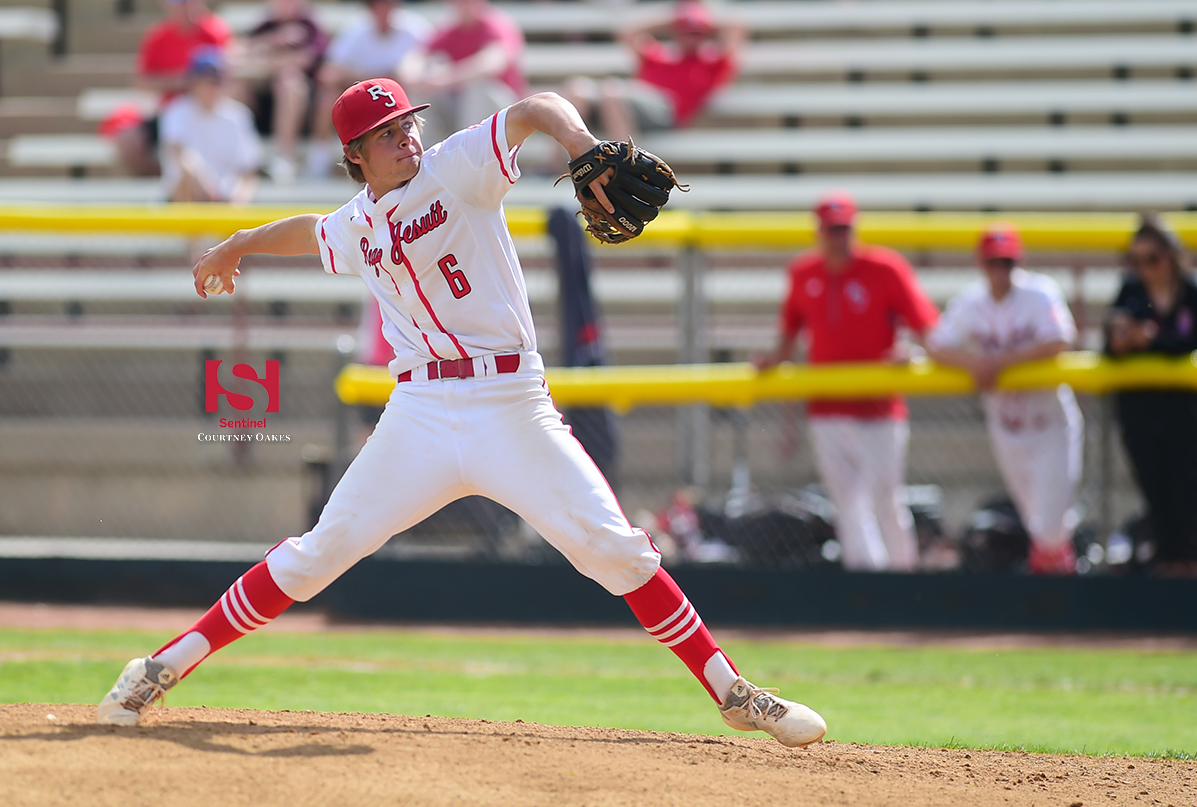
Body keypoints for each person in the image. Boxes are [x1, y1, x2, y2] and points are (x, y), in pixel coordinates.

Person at [96, 78, 827, 750]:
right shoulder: (356, 223)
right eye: (387, 133)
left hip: (509, 404)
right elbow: (309, 229)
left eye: (407, 123)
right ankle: (163, 664)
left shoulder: (456, 166)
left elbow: (538, 108)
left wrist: (580, 146)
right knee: (318, 554)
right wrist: (237, 243)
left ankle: (732, 691)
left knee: (616, 550)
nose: (406, 136)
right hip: (418, 413)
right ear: (354, 154)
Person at [753, 192, 939, 572]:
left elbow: (928, 326)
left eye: (844, 229)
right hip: (828, 407)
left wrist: (913, 353)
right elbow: (790, 333)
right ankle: (865, 583)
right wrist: (772, 361)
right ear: (820, 232)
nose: (839, 237)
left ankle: (903, 578)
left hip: (880, 405)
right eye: (832, 230)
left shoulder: (885, 268)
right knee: (847, 502)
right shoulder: (804, 273)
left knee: (886, 497)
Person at [926, 224, 1083, 575]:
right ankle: (1059, 591)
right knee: (1037, 524)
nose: (1000, 270)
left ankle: (1055, 578)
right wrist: (974, 364)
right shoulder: (971, 302)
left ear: (1018, 262)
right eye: (994, 262)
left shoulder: (1040, 293)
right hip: (1008, 428)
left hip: (1049, 424)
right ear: (981, 264)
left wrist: (998, 363)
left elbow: (1059, 341)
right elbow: (936, 346)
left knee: (1051, 529)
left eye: (1007, 262)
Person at [1105, 214, 1197, 575]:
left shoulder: (1190, 292)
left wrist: (1152, 339)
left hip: (1185, 414)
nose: (1145, 268)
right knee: (1157, 497)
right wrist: (1122, 338)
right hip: (1141, 412)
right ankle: (1169, 575)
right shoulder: (1131, 291)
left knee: (1187, 494)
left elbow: (1186, 343)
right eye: (1136, 260)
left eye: (1152, 259)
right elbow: (1109, 348)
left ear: (1170, 256)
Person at [563, 0, 746, 142]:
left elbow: (735, 28)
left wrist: (698, 18)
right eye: (684, 31)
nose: (690, 37)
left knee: (612, 92)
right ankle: (554, 169)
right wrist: (678, 18)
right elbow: (628, 32)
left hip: (665, 114)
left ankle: (626, 167)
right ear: (674, 32)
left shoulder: (712, 63)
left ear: (707, 34)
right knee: (577, 90)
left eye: (697, 32)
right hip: (630, 106)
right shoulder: (659, 56)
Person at [306, 0, 430, 177]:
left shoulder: (415, 29)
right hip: (362, 106)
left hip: (403, 103)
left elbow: (424, 69)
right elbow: (329, 72)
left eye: (388, 4)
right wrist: (373, 79)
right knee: (328, 97)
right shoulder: (355, 29)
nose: (383, 9)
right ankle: (318, 159)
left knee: (420, 92)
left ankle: (420, 157)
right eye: (377, 4)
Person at [111, 0, 234, 177]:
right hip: (169, 112)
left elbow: (227, 76)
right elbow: (141, 82)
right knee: (127, 141)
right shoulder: (158, 36)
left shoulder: (215, 31)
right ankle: (167, 185)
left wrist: (198, 85)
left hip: (207, 114)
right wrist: (181, 81)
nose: (184, 7)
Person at [399, 0, 528, 144]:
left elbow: (492, 63)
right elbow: (414, 61)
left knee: (477, 85)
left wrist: (446, 79)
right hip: (458, 108)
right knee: (429, 75)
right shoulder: (448, 29)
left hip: (502, 110)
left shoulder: (497, 24)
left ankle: (471, 148)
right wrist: (420, 80)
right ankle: (426, 154)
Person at [236, 0, 328, 182]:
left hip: (303, 111)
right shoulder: (266, 28)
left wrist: (266, 61)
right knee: (235, 85)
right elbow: (234, 58)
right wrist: (273, 40)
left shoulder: (310, 27)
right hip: (263, 106)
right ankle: (240, 156)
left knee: (289, 81)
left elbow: (304, 60)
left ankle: (285, 157)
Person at [159, 48, 261, 204]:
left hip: (225, 201)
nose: (212, 87)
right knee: (186, 174)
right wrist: (204, 183)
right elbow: (179, 153)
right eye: (207, 80)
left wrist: (237, 204)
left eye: (217, 80)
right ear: (193, 82)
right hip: (183, 199)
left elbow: (248, 172)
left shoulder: (239, 115)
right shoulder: (176, 111)